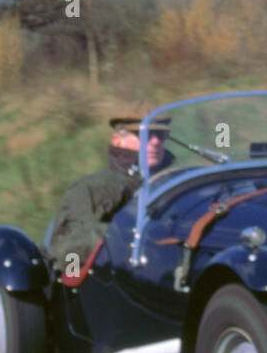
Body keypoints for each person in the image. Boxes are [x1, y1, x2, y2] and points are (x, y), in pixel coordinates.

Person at [47, 115, 174, 274]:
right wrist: (124, 236)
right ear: (118, 140)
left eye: (160, 136)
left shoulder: (176, 183)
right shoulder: (94, 187)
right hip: (117, 282)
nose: (155, 142)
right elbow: (70, 248)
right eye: (145, 135)